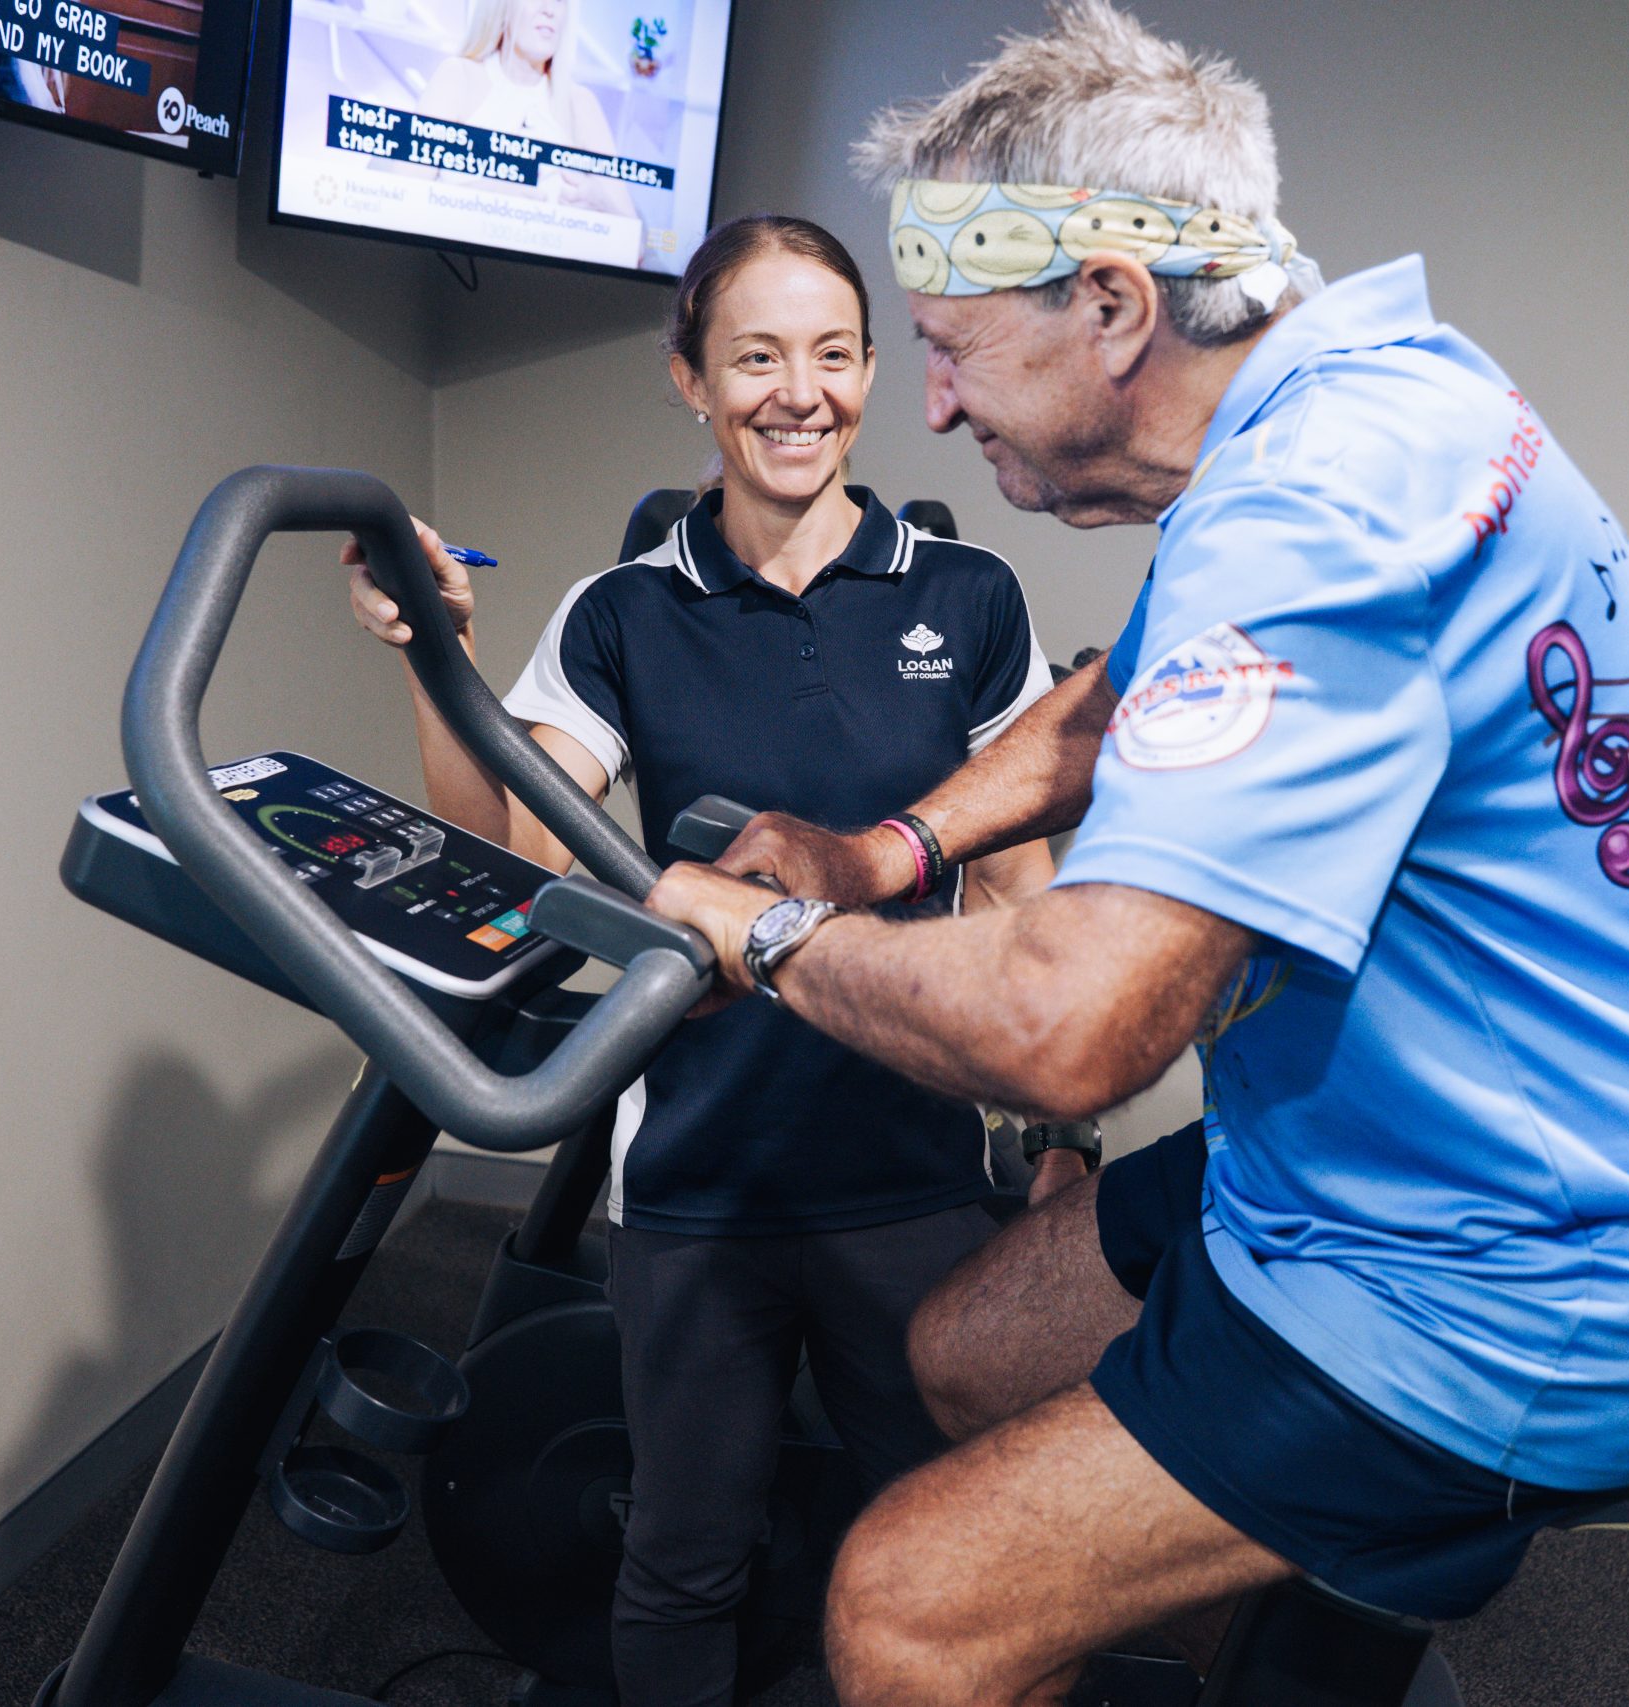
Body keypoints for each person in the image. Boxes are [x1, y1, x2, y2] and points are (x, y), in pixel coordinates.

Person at [642, 6, 1629, 1705]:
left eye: (954, 349)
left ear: (1115, 306)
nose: (937, 404)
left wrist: (756, 936)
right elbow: (1128, 697)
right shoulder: (1365, 396)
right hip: (1393, 1161)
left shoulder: (1311, 514)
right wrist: (884, 855)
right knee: (969, 1348)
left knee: (907, 1606)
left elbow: (1071, 1025)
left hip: (1531, 1258)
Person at [345, 214, 1062, 1707]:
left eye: (832, 354)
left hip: (912, 1174)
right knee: (683, 1556)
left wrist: (1058, 1130)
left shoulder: (969, 595)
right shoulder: (622, 613)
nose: (799, 393)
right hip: (699, 1182)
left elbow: (1020, 887)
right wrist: (432, 654)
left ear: (869, 371)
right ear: (690, 378)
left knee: (942, 1555)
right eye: (756, 357)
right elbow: (514, 855)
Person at [421, 0, 637, 221]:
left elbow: (635, 236)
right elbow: (406, 197)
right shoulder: (458, 77)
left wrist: (600, 205)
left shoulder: (580, 103)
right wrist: (488, 196)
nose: (549, 10)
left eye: (559, 1)